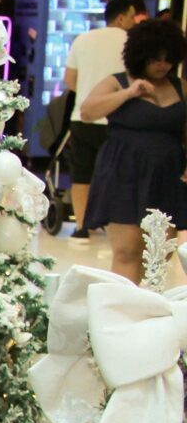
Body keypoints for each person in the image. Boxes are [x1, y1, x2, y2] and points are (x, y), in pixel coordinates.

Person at [79, 16, 187, 282]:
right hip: (124, 171)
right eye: (155, 59)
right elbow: (88, 112)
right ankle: (124, 303)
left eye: (168, 59)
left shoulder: (180, 87)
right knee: (127, 250)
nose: (162, 65)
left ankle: (146, 303)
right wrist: (129, 94)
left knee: (159, 253)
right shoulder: (118, 82)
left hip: (167, 174)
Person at [63, 0, 149, 238]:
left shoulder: (83, 39)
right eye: (132, 16)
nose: (135, 21)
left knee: (81, 174)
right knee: (117, 176)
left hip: (83, 117)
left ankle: (81, 226)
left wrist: (92, 95)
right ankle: (114, 226)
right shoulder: (133, 43)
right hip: (119, 120)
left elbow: (70, 80)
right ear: (121, 18)